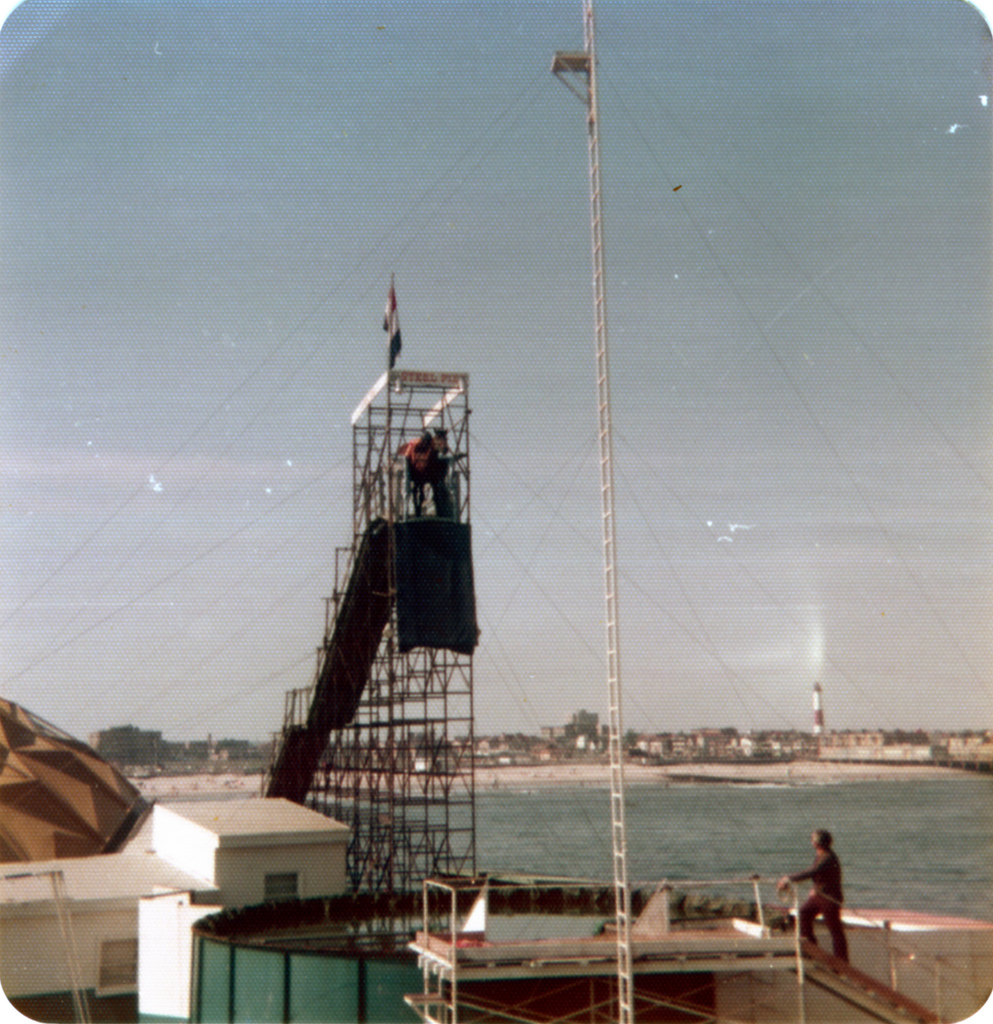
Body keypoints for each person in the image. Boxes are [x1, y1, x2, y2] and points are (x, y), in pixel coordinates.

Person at [778, 829, 849, 962]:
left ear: (816, 843)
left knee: (835, 930)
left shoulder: (827, 857)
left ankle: (842, 962)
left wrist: (788, 878)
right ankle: (813, 951)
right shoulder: (821, 855)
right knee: (803, 914)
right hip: (819, 896)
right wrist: (815, 888)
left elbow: (813, 871)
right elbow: (819, 875)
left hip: (829, 898)